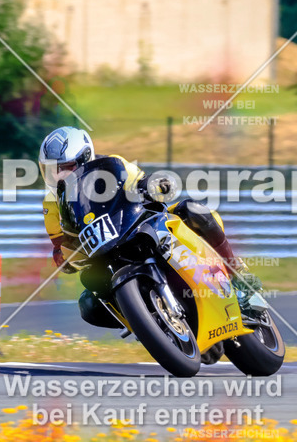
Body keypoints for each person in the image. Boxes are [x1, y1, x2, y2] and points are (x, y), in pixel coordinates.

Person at [38, 126, 264, 330]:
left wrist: (153, 185)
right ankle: (147, 323)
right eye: (52, 171)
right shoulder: (52, 203)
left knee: (193, 210)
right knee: (88, 304)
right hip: (103, 254)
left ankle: (238, 276)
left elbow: (142, 181)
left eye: (65, 168)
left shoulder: (112, 164)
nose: (59, 176)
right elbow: (60, 243)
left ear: (84, 157)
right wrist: (62, 256)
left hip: (136, 224)